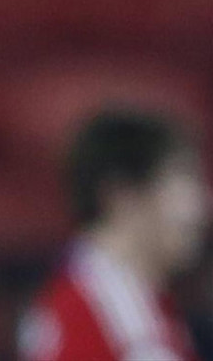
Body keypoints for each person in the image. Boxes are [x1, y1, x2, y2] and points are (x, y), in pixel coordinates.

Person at [18, 109, 210, 361]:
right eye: (182, 180)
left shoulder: (93, 298)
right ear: (122, 196)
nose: (202, 204)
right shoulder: (115, 323)